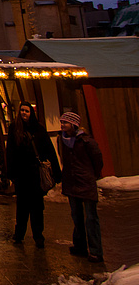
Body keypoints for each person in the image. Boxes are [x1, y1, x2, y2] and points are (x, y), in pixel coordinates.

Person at [5, 102, 60, 247]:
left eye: (27, 111)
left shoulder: (39, 129)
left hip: (35, 174)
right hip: (21, 174)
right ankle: (19, 234)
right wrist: (11, 172)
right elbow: (10, 151)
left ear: (31, 113)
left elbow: (49, 150)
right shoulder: (14, 129)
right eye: (22, 110)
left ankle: (38, 235)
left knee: (37, 207)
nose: (24, 113)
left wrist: (56, 171)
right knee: (22, 206)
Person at [58, 111, 104, 263]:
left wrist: (92, 174)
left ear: (74, 124)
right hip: (71, 183)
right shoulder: (62, 140)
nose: (62, 125)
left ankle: (96, 251)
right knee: (76, 216)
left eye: (65, 122)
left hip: (85, 182)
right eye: (62, 122)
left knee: (91, 218)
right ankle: (80, 246)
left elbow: (97, 160)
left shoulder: (86, 141)